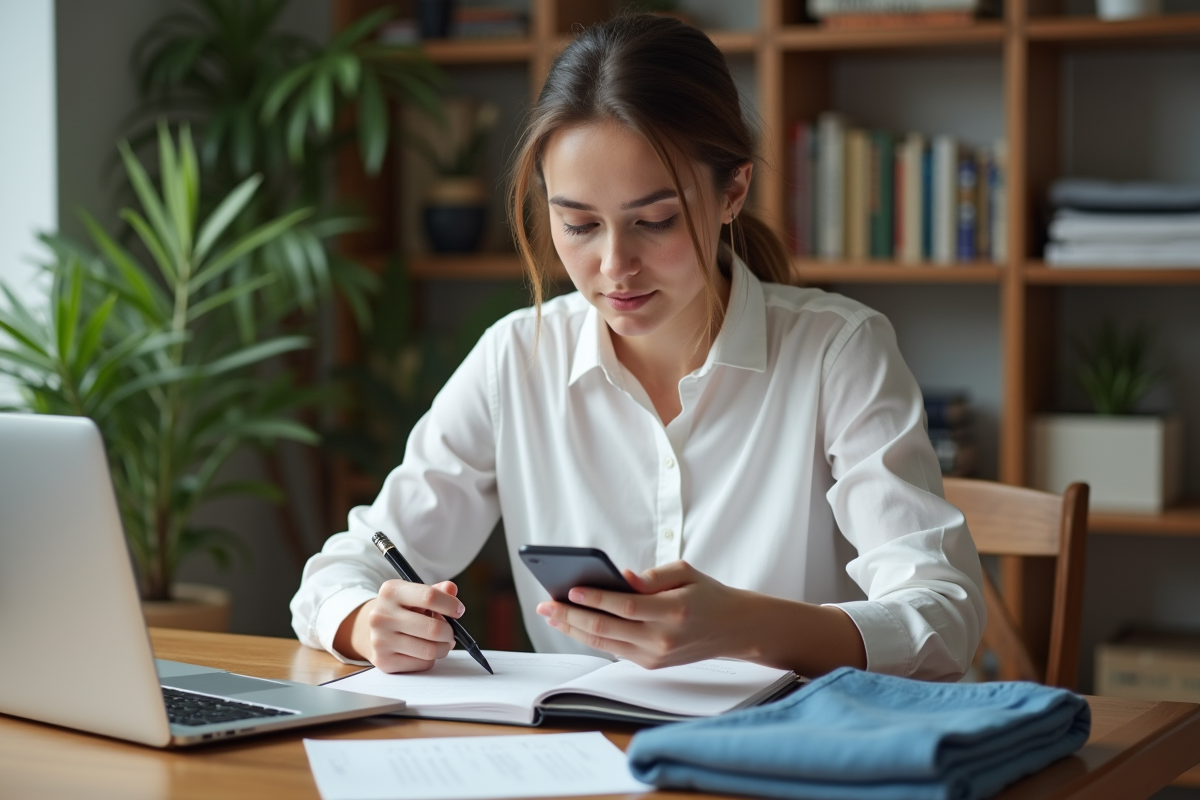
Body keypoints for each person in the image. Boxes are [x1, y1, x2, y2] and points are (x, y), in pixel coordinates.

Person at [291, 13, 985, 681]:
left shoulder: (838, 351)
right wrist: (363, 620)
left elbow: (944, 616)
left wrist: (746, 625)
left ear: (734, 190)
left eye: (654, 221)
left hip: (783, 754)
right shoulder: (517, 357)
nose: (615, 266)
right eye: (580, 225)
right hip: (579, 758)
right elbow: (349, 566)